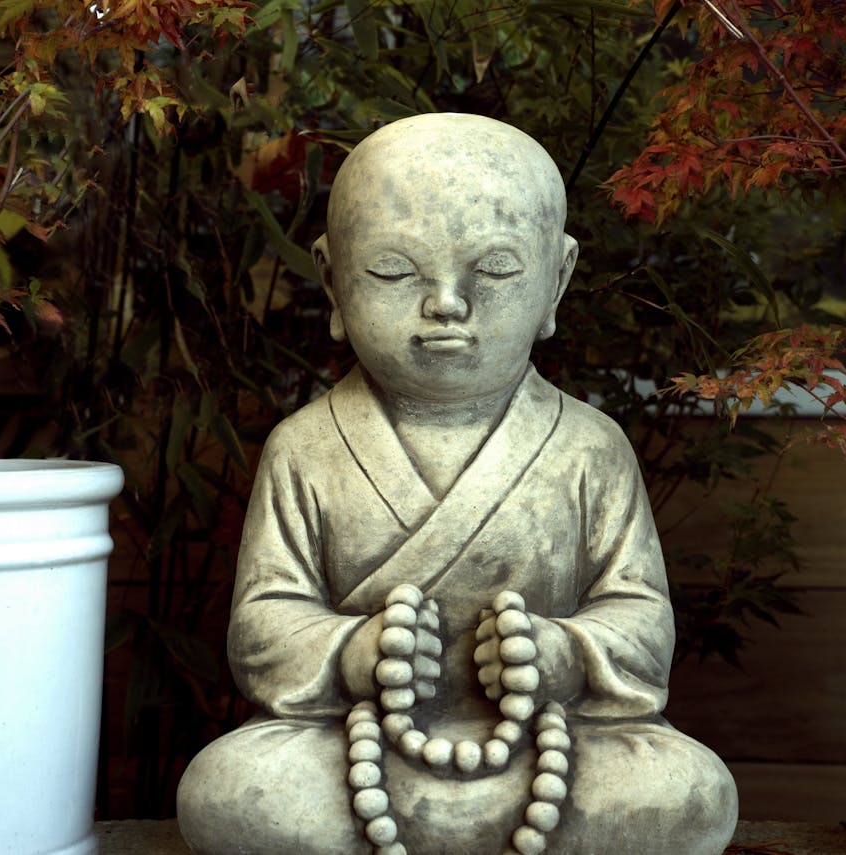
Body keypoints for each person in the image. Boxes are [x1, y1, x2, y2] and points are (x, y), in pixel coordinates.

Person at [176, 113, 738, 855]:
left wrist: (563, 653)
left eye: (497, 270)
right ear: (332, 279)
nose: (447, 301)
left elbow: (639, 616)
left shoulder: (589, 448)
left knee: (687, 790)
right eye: (392, 271)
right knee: (232, 787)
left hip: (550, 754)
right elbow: (262, 623)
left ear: (556, 280)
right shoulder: (305, 448)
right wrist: (351, 651)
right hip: (355, 755)